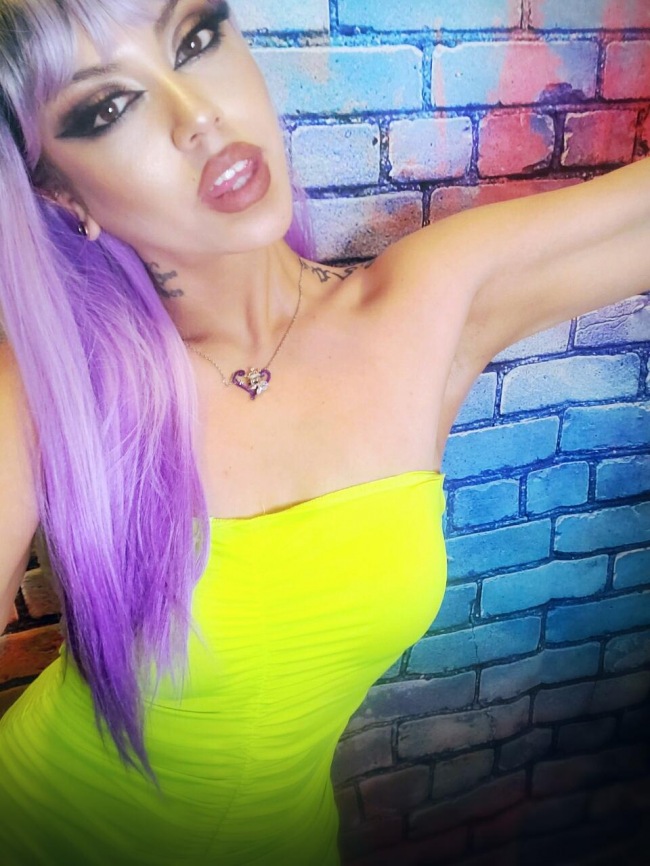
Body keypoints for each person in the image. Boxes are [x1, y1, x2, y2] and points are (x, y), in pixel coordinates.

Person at [0, 1, 647, 864]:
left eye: (195, 39)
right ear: (60, 193)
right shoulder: (46, 386)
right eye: (109, 107)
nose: (198, 116)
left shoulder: (416, 309)